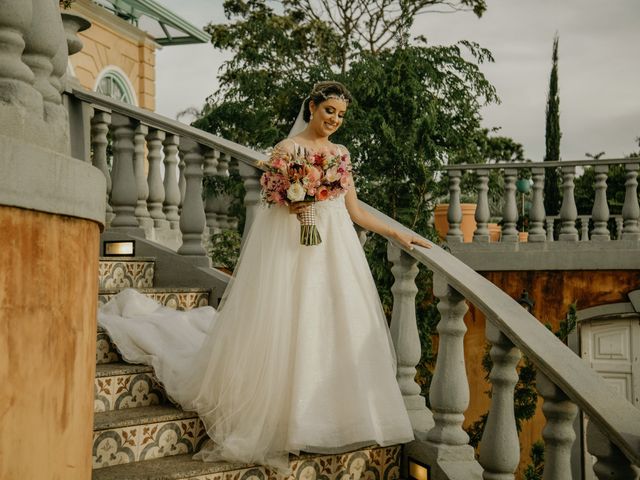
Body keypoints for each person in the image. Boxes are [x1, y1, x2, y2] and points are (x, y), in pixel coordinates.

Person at [98, 80, 431, 472]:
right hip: (296, 252)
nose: (334, 121)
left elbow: (354, 212)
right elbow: (276, 200)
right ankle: (291, 420)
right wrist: (296, 203)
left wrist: (398, 232)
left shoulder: (341, 154)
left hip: (336, 250)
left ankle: (335, 416)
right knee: (294, 324)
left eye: (341, 115)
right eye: (329, 112)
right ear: (312, 107)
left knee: (336, 325)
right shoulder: (287, 150)